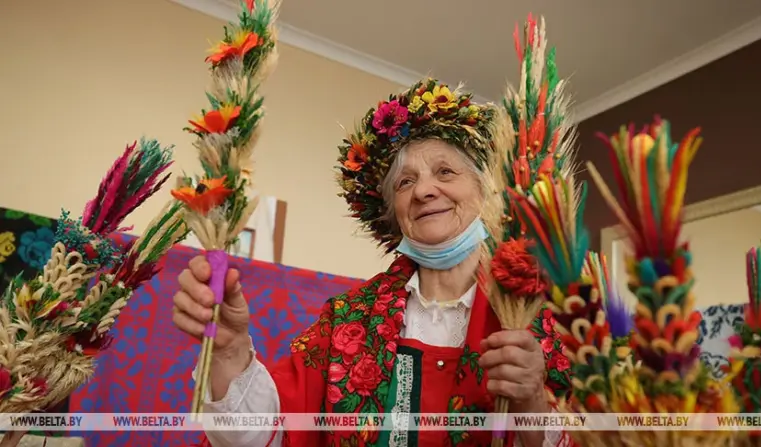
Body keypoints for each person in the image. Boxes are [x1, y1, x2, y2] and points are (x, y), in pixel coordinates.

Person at [172, 78, 572, 447]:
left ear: (489, 193)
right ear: (393, 213)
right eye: (405, 182)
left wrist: (532, 402)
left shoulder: (544, 314)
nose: (424, 191)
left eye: (445, 172)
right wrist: (228, 352)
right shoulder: (346, 320)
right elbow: (266, 438)